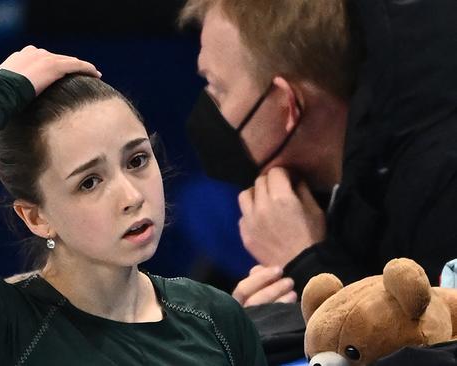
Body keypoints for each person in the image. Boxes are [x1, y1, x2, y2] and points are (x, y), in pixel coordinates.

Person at [0, 45, 266, 366]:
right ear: (36, 217)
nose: (132, 197)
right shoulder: (10, 331)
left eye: (136, 161)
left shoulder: (217, 317)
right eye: (89, 182)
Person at [180, 0, 457, 304]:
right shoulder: (340, 179)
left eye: (217, 87)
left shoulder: (440, 182)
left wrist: (307, 265)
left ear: (288, 104)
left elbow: (436, 339)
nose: (208, 105)